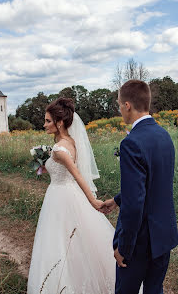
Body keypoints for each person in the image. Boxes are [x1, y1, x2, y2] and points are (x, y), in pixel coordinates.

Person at [27, 97, 117, 294]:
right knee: (75, 242)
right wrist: (45, 164)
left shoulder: (59, 150)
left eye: (48, 121)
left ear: (60, 123)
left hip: (60, 197)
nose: (44, 125)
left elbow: (77, 175)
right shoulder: (70, 142)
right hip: (65, 193)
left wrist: (94, 202)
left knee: (59, 243)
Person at [101, 80, 178, 294]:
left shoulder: (131, 142)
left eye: (119, 105)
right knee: (155, 290)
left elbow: (135, 204)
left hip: (140, 242)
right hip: (163, 235)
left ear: (127, 105)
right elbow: (152, 183)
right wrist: (117, 200)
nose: (119, 110)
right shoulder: (164, 135)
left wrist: (124, 247)